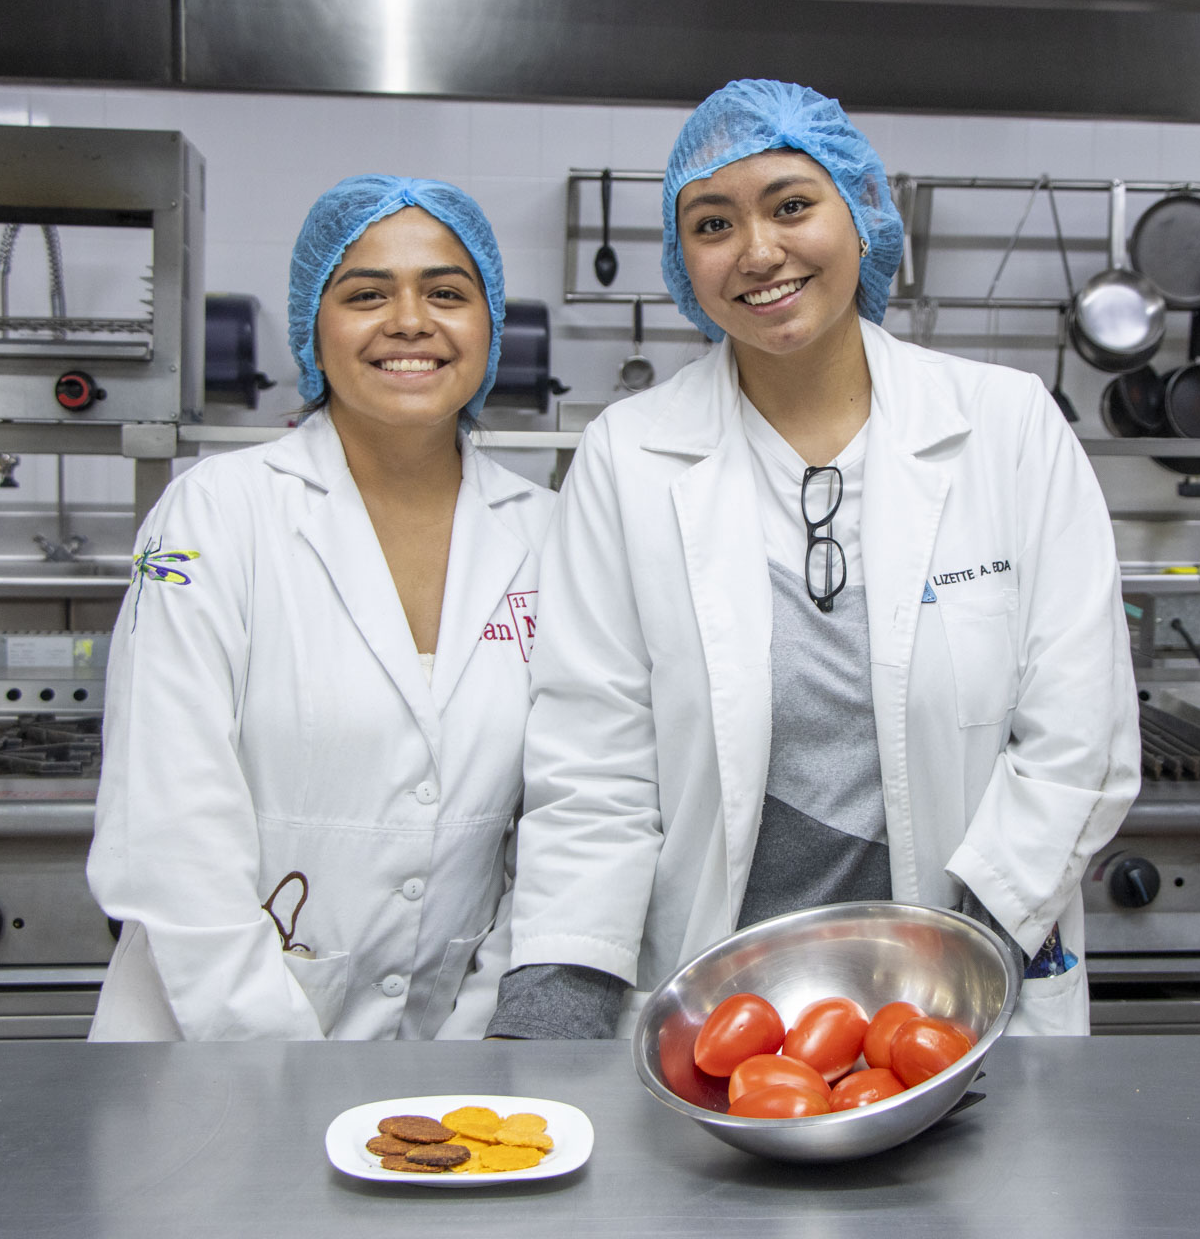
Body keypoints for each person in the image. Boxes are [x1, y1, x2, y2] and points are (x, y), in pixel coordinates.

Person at [488, 81, 1139, 1041]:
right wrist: (558, 998)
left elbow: (1079, 736)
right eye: (714, 224)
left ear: (864, 217)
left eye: (793, 205)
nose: (758, 251)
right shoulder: (629, 455)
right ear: (684, 261)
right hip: (722, 1021)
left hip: (963, 998)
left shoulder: (1006, 428)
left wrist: (964, 957)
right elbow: (595, 758)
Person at [87, 176, 551, 1040]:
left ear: (490, 326)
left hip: (447, 1071)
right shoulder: (216, 514)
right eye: (367, 293)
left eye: (447, 292)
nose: (410, 320)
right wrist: (286, 1067)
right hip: (208, 1054)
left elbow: (557, 825)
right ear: (314, 325)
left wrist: (478, 1043)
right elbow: (169, 825)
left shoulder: (551, 537)